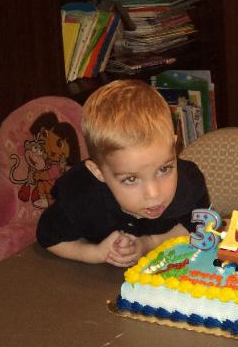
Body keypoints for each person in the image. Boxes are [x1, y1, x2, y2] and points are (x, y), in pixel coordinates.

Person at [36, 79, 210, 267]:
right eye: (131, 179)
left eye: (164, 169)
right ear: (99, 172)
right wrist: (95, 253)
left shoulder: (189, 183)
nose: (154, 194)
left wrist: (150, 243)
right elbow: (48, 236)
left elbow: (198, 226)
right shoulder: (81, 198)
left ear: (174, 146)